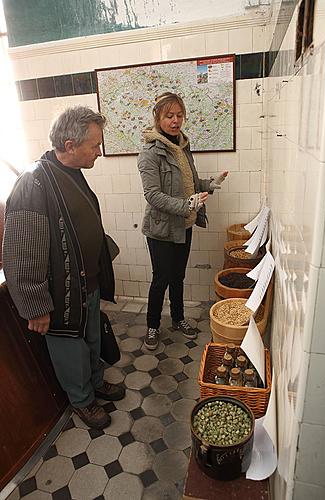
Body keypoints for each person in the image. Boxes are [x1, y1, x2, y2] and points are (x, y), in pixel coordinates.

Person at [2, 106, 125, 429]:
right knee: (70, 352)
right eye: (95, 145)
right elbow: (21, 255)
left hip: (88, 284)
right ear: (70, 145)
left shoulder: (70, 172)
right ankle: (83, 401)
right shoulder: (33, 184)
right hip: (62, 294)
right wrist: (35, 307)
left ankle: (97, 383)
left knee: (93, 341)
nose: (99, 151)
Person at [138, 92, 228, 350]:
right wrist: (187, 204)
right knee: (161, 279)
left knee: (178, 276)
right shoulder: (150, 153)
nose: (175, 120)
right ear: (158, 118)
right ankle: (153, 326)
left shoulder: (183, 146)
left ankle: (178, 319)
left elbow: (190, 183)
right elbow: (152, 195)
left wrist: (210, 184)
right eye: (169, 116)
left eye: (179, 115)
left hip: (184, 225)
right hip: (161, 229)